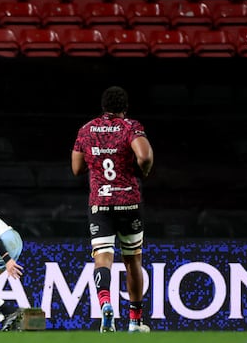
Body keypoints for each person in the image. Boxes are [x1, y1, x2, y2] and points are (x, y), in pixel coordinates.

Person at [71, 86, 154, 333]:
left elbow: (76, 168)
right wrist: (144, 171)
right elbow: (145, 156)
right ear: (124, 108)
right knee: (133, 261)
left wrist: (94, 163)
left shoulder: (86, 130)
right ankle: (135, 321)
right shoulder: (130, 127)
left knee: (103, 258)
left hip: (100, 203)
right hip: (128, 202)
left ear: (103, 106)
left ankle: (106, 304)